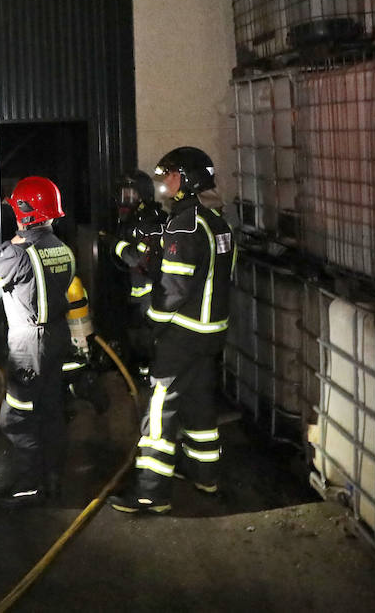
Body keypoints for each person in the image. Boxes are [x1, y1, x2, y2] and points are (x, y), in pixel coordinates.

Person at [107, 147, 236, 515]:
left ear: (187, 179)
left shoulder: (185, 223)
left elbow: (174, 289)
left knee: (160, 410)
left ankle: (150, 492)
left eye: (170, 175)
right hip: (212, 333)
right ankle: (205, 475)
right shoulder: (217, 221)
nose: (164, 183)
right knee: (198, 403)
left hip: (183, 334)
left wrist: (153, 324)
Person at [0, 176, 77, 510]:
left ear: (24, 211)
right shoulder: (62, 248)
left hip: (29, 344)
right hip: (57, 337)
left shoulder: (17, 253)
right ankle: (53, 479)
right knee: (49, 411)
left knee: (16, 418)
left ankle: (28, 487)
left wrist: (13, 242)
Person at [109, 171, 167, 382]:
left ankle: (147, 379)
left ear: (143, 195)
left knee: (145, 338)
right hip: (140, 295)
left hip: (150, 296)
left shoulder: (149, 223)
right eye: (123, 195)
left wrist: (116, 245)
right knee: (137, 337)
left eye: (130, 195)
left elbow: (138, 258)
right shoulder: (136, 221)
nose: (125, 201)